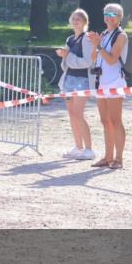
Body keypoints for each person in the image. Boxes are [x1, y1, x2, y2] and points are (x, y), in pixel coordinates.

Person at [87, 3, 128, 170]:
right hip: (101, 82)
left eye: (113, 14)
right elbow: (94, 58)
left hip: (115, 82)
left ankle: (118, 158)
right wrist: (94, 45)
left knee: (116, 120)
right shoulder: (103, 34)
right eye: (106, 13)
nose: (109, 16)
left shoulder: (121, 35)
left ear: (119, 18)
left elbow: (112, 59)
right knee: (105, 121)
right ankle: (107, 156)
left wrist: (98, 45)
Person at [55, 8, 95, 160]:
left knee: (79, 114)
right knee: (72, 115)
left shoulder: (87, 39)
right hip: (68, 79)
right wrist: (63, 55)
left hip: (82, 80)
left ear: (85, 22)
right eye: (74, 18)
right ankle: (78, 147)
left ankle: (89, 149)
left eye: (79, 19)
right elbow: (67, 61)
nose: (76, 21)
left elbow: (87, 62)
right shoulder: (70, 39)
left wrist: (68, 55)